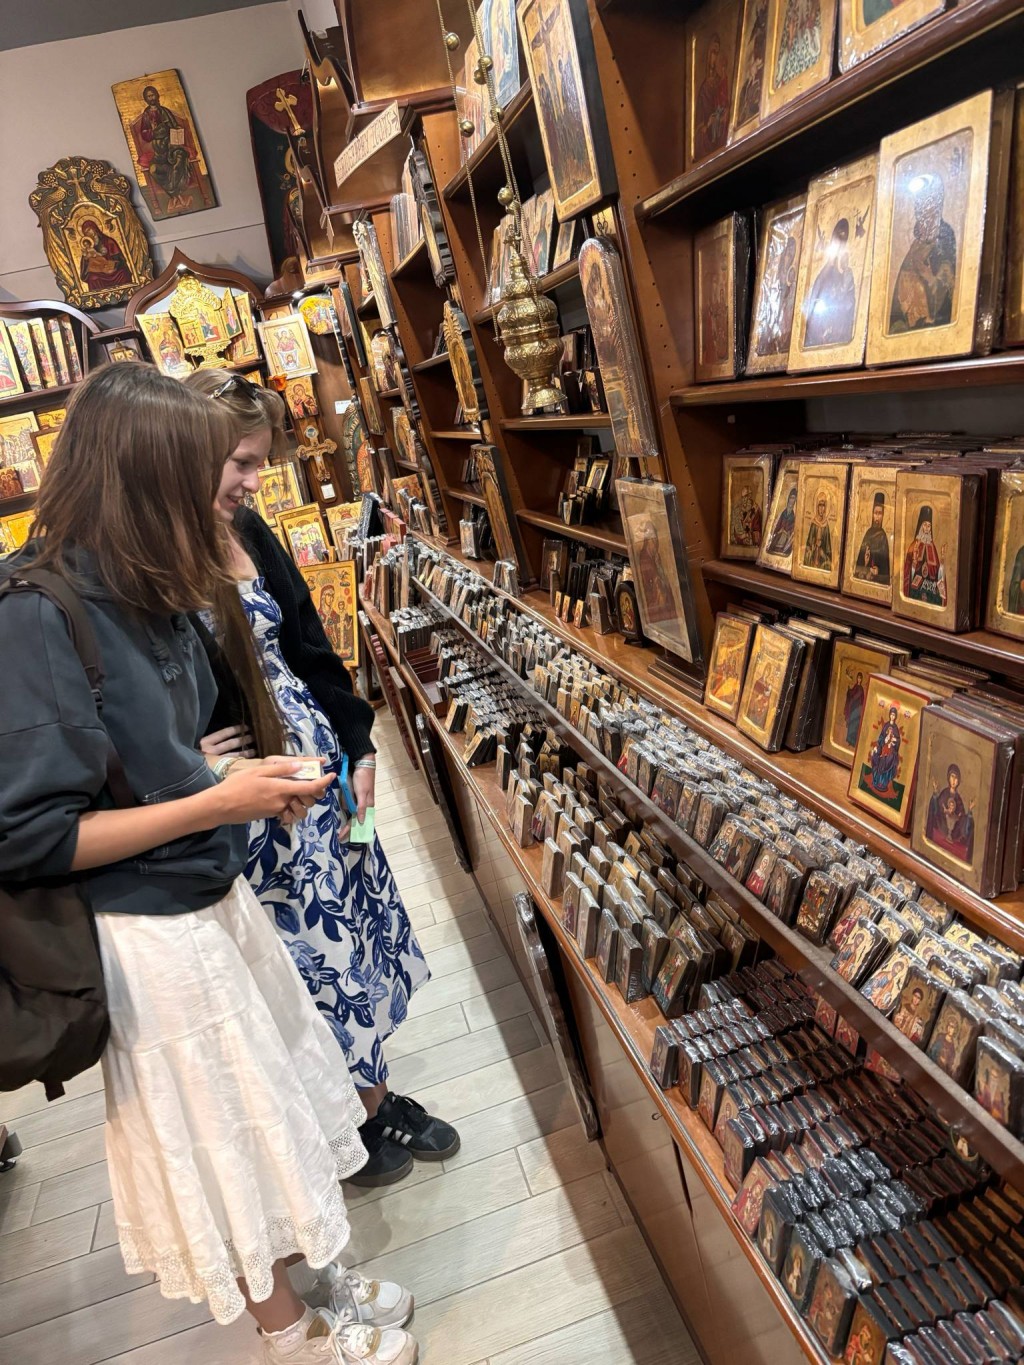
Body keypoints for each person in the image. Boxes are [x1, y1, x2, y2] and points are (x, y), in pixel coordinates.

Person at [0, 363, 416, 1365]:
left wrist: (224, 774)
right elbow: (30, 835)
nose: (233, 490)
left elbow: (158, 746)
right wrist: (215, 798)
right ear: (144, 474)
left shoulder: (146, 585)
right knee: (224, 1123)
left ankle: (316, 1274)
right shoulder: (36, 614)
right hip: (148, 928)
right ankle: (289, 1332)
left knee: (276, 1095)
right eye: (208, 468)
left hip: (212, 889)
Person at [185, 371, 459, 1187]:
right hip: (262, 805)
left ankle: (373, 1092)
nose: (254, 480)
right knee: (311, 958)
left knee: (358, 929)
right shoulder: (155, 556)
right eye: (240, 462)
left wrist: (361, 747)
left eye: (259, 462)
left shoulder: (248, 527)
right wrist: (189, 754)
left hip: (322, 769)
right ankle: (349, 1117)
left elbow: (309, 644)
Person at [889, 172, 957, 332]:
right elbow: (899, 295)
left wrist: (926, 275)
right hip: (907, 328)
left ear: (937, 207)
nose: (921, 214)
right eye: (919, 208)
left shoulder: (945, 239)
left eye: (926, 207)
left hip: (933, 327)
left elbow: (946, 287)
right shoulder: (915, 246)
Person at [803, 219, 856, 349]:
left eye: (843, 239)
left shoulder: (846, 275)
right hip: (819, 334)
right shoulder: (824, 274)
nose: (840, 243)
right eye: (838, 238)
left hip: (837, 334)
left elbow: (849, 304)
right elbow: (814, 298)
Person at [902, 504, 946, 606]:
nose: (927, 528)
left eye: (929, 525)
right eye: (924, 525)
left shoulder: (932, 547)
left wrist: (942, 562)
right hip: (915, 590)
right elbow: (907, 572)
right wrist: (914, 563)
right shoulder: (914, 545)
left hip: (930, 590)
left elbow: (938, 575)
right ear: (920, 526)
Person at [852, 491, 890, 586]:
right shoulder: (868, 533)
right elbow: (859, 565)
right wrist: (865, 562)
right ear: (872, 514)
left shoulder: (883, 536)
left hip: (877, 583)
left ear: (883, 515)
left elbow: (885, 568)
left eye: (880, 513)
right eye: (875, 513)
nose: (877, 517)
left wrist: (878, 571)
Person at [803, 494, 832, 571]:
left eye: (823, 506)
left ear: (825, 508)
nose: (821, 509)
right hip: (813, 558)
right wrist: (814, 545)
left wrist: (823, 554)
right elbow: (808, 545)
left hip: (822, 561)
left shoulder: (826, 526)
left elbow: (828, 550)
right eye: (820, 506)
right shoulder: (813, 524)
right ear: (817, 507)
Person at [843, 671, 865, 747]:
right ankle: (849, 740)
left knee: (855, 724)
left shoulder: (861, 689)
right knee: (850, 723)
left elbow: (861, 699)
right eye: (858, 678)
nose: (859, 679)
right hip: (852, 707)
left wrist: (853, 699)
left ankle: (853, 742)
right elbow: (851, 693)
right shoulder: (855, 686)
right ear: (857, 678)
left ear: (861, 679)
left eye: (860, 678)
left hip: (857, 709)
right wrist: (849, 690)